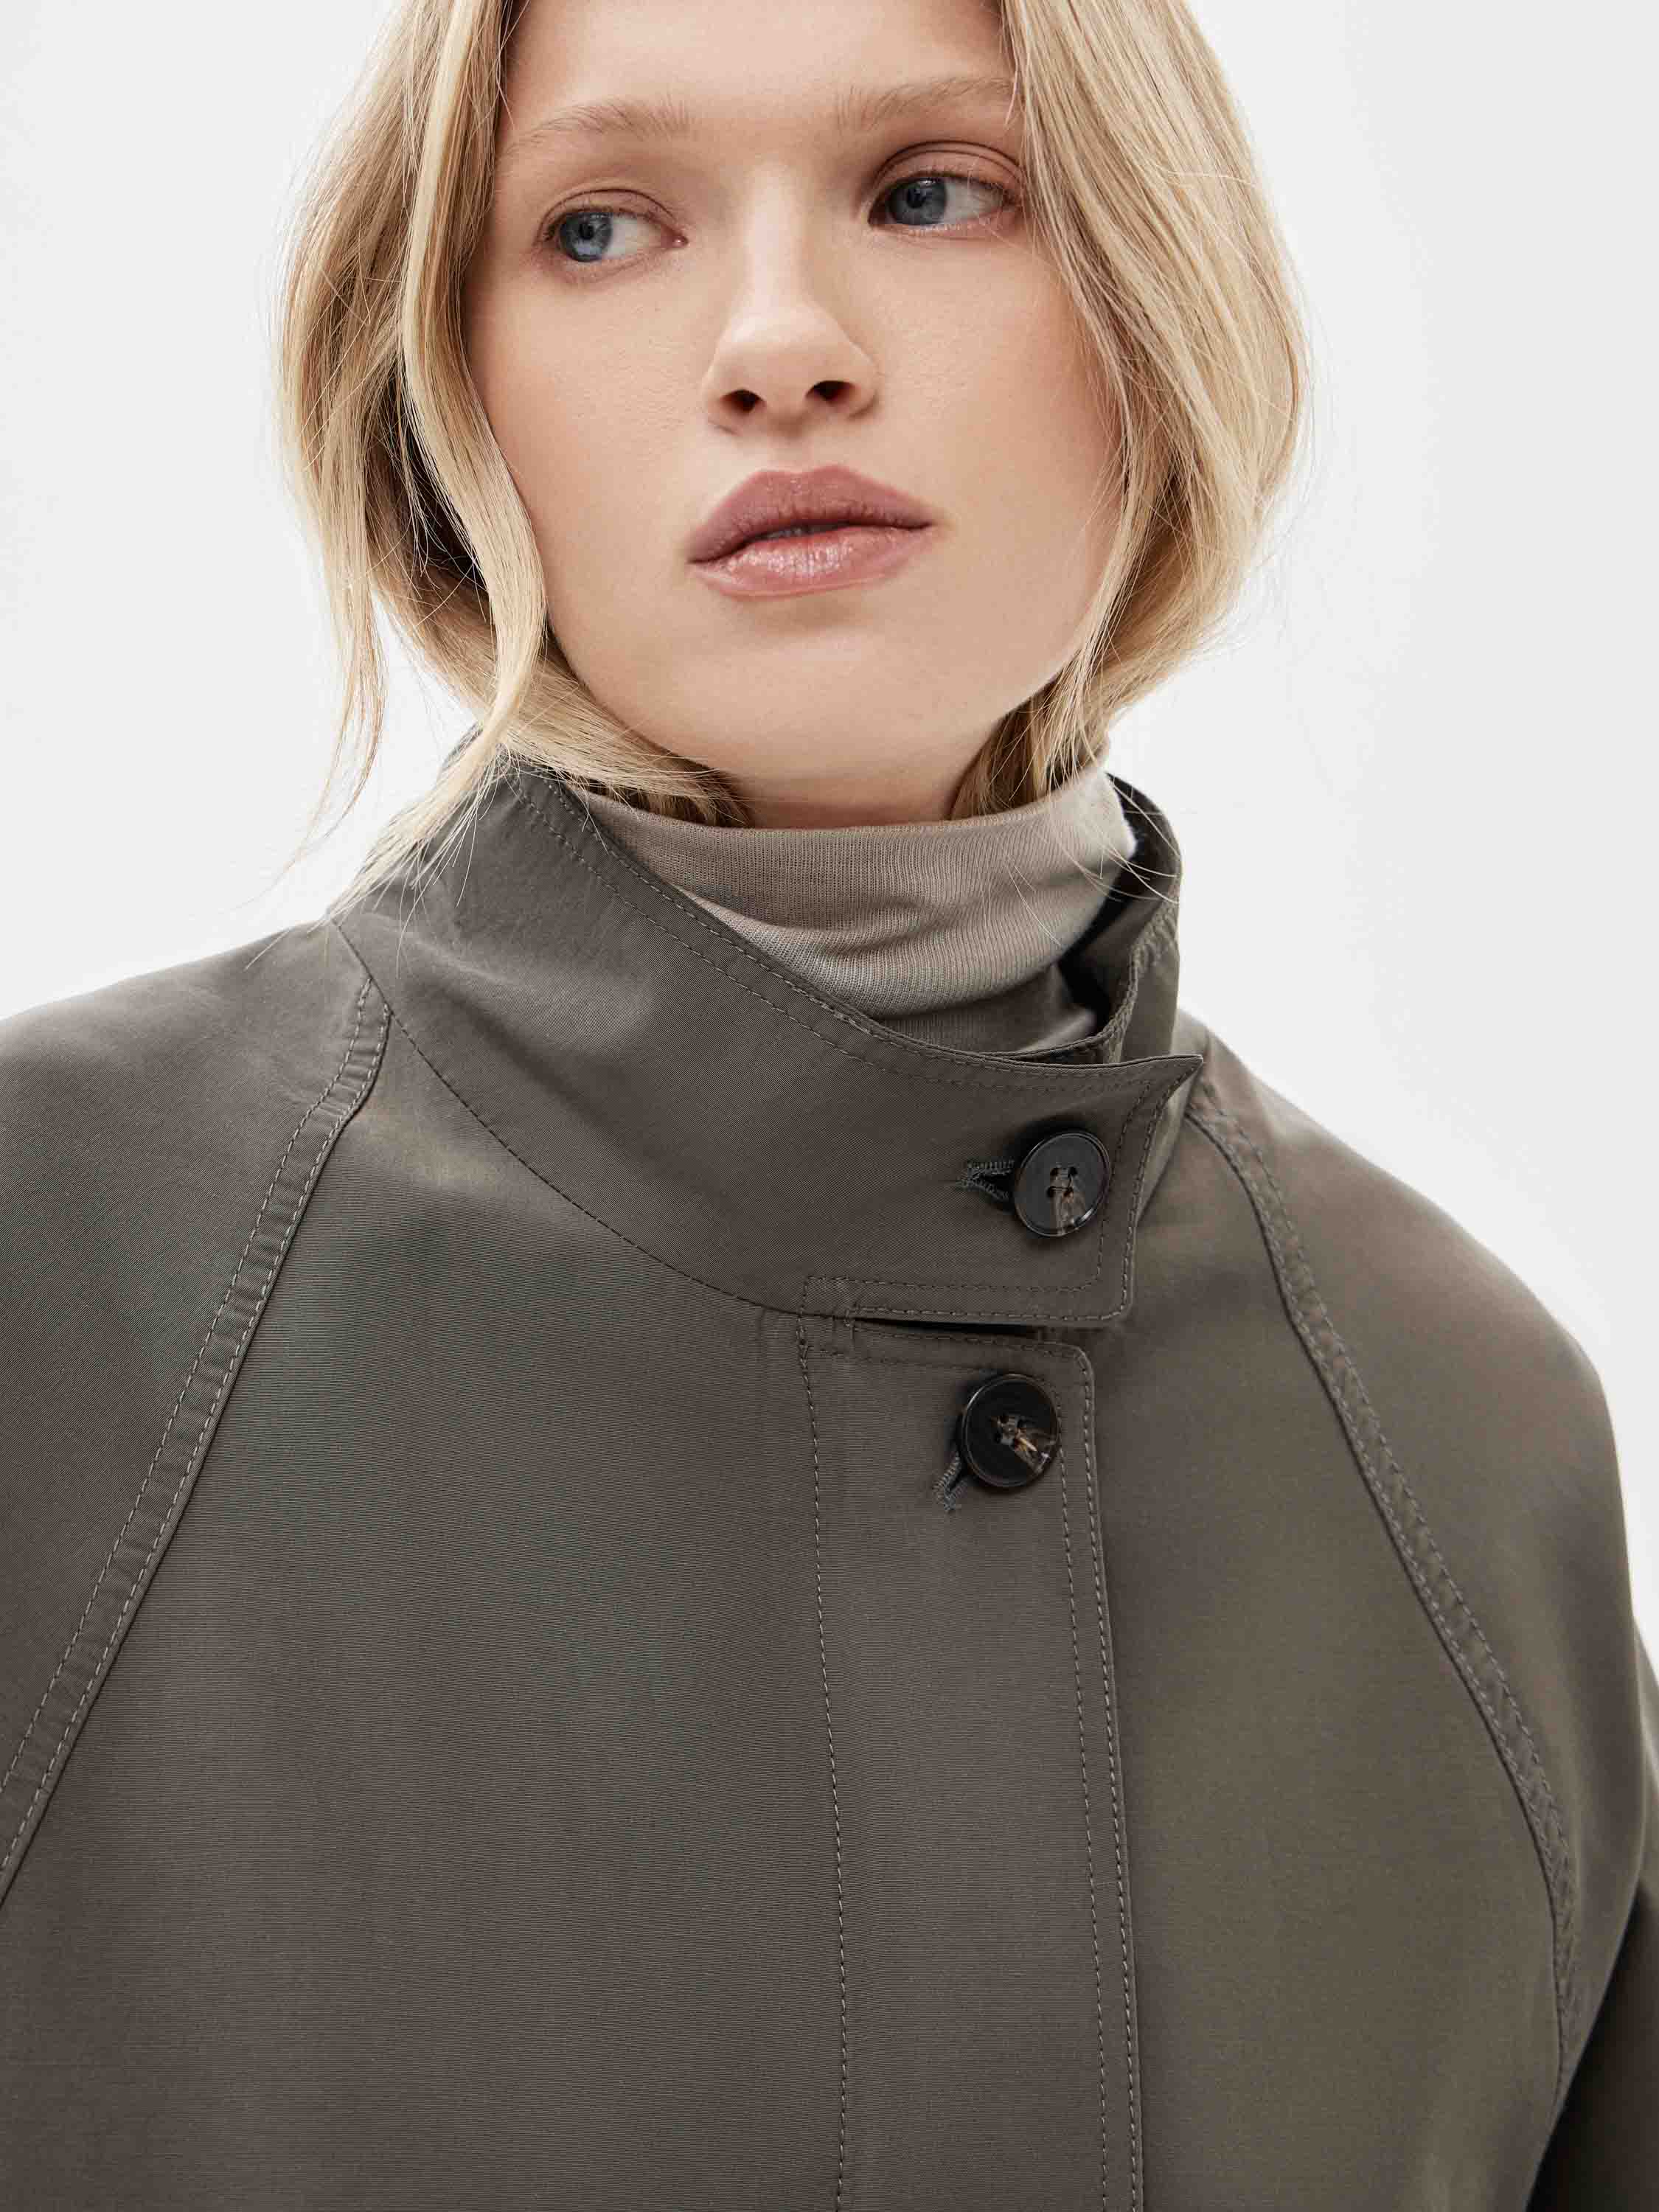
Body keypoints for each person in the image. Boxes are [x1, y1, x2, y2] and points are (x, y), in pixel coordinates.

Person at [1, 0, 1652, 2203]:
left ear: (1154, 289)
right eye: (600, 227)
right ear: (437, 380)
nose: (781, 346)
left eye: (931, 192)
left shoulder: (1459, 1426)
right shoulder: (59, 1273)